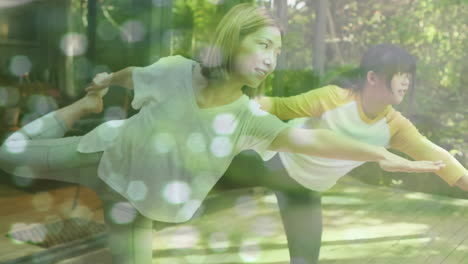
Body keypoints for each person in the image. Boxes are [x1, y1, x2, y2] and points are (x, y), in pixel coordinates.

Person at [0, 5, 443, 264]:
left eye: (278, 51)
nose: (272, 60)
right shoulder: (175, 71)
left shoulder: (248, 119)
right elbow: (132, 75)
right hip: (101, 153)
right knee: (7, 155)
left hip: (133, 205)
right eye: (263, 45)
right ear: (233, 41)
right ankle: (78, 110)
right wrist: (98, 88)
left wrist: (380, 154)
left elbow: (311, 141)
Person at [217, 43, 467, 264]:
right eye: (400, 74)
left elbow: (437, 156)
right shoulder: (334, 98)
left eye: (408, 76)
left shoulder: (395, 126)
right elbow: (281, 106)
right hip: (271, 162)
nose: (406, 81)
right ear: (372, 77)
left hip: (306, 191)